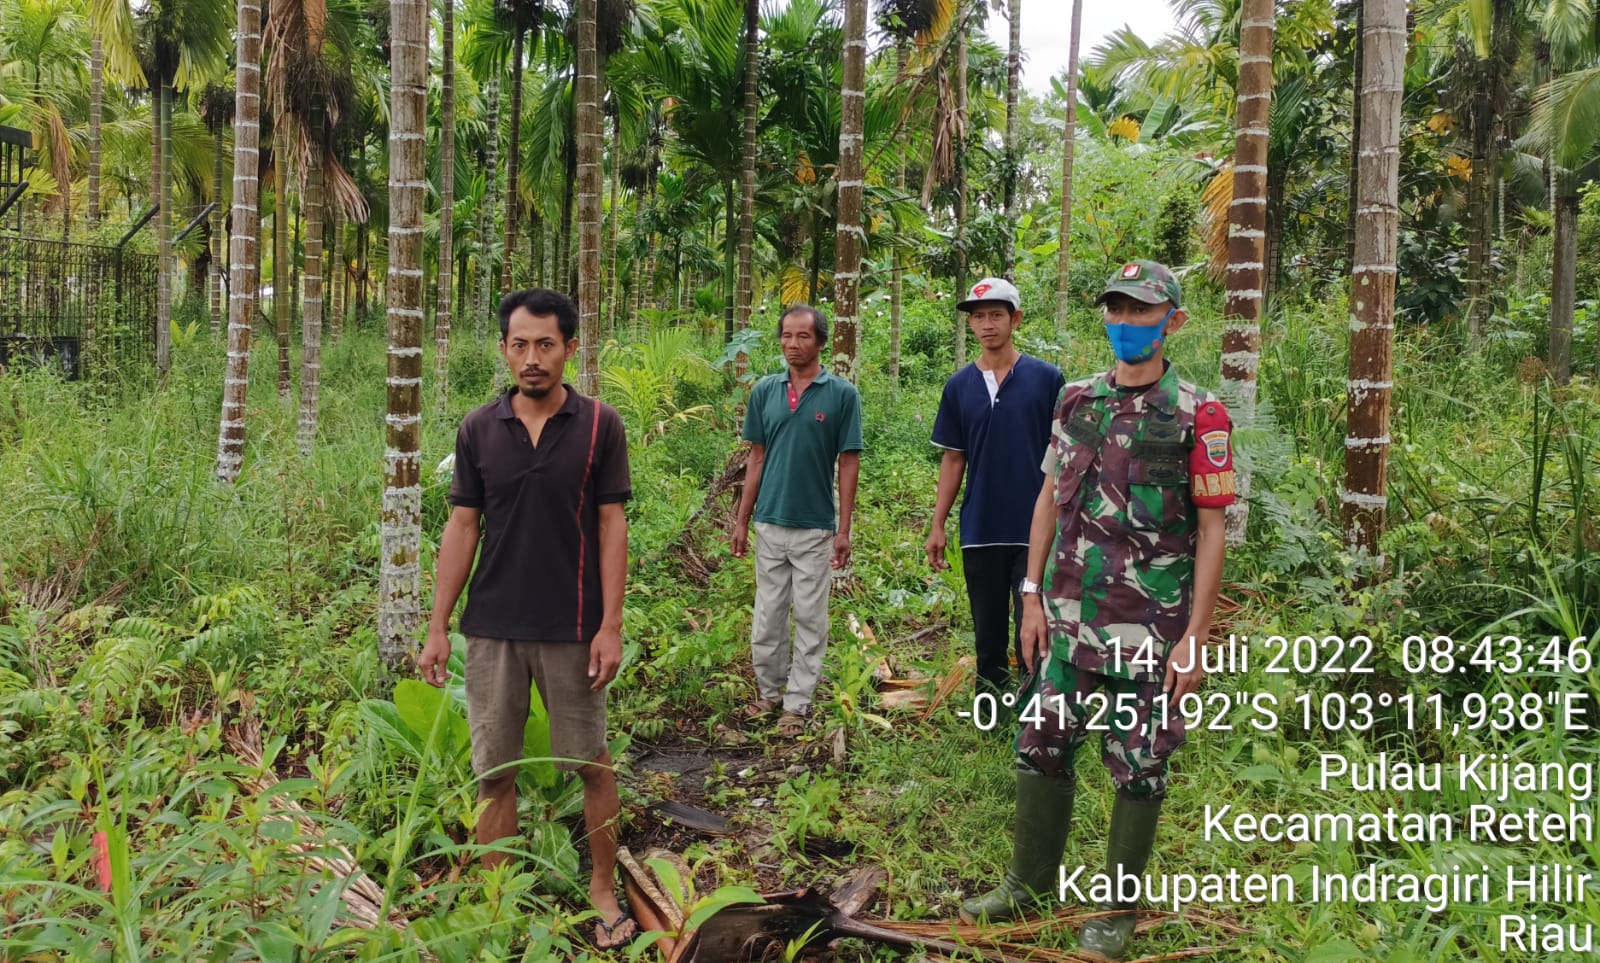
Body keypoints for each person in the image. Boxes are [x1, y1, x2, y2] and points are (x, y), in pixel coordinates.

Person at [959, 260, 1234, 963]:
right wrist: (1030, 594)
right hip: (1069, 621)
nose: (1125, 323)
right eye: (1116, 308)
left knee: (1139, 764)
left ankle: (1116, 913)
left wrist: (1196, 637)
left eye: (1141, 311)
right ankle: (1028, 882)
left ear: (1172, 320)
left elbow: (1210, 531)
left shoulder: (1199, 413)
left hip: (1152, 632)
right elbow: (1048, 498)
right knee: (1039, 742)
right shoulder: (1077, 400)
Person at [418, 288, 637, 950]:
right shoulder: (479, 429)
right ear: (504, 349)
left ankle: (602, 887)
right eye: (520, 344)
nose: (533, 358)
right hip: (492, 628)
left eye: (546, 344)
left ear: (572, 348)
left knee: (592, 762)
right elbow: (462, 526)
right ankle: (497, 902)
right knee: (495, 771)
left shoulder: (601, 426)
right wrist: (437, 624)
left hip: (573, 626)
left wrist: (611, 623)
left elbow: (611, 525)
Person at [926, 277, 1065, 699]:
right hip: (981, 527)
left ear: (1015, 319)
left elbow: (1062, 458)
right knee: (987, 630)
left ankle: (1034, 713)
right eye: (979, 316)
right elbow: (954, 458)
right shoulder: (959, 386)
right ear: (970, 324)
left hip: (1033, 529)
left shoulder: (1046, 379)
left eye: (996, 315)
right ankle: (991, 707)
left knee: (1033, 624)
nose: (987, 324)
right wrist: (938, 524)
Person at [730, 304, 864, 739]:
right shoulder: (766, 391)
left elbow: (848, 462)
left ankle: (797, 703)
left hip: (814, 527)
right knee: (767, 615)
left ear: (821, 342)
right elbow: (756, 457)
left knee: (810, 617)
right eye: (786, 335)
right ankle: (769, 693)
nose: (792, 344)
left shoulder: (841, 394)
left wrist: (843, 529)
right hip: (769, 522)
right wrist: (741, 519)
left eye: (803, 336)